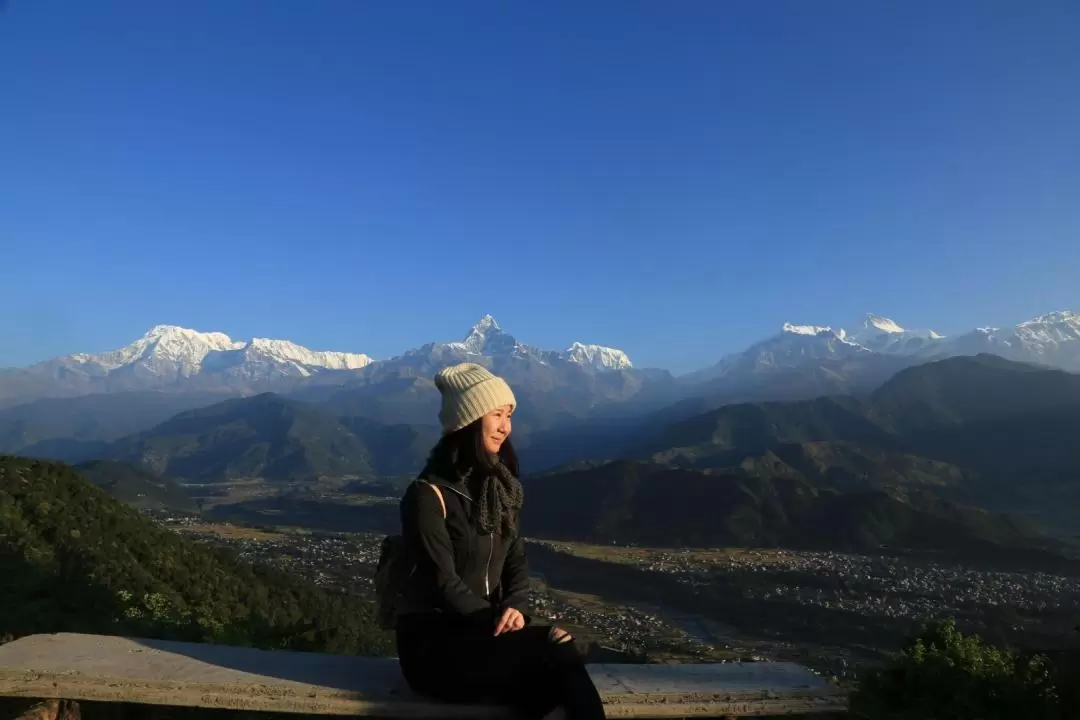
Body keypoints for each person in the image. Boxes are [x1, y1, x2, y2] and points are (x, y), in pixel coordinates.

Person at [394, 363, 606, 720]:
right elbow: (441, 582)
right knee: (556, 647)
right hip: (438, 648)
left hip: (486, 637)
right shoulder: (428, 495)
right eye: (497, 414)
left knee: (553, 679)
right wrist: (498, 620)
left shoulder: (498, 490)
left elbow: (516, 561)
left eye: (509, 415)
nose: (506, 427)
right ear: (470, 420)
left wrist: (516, 609)